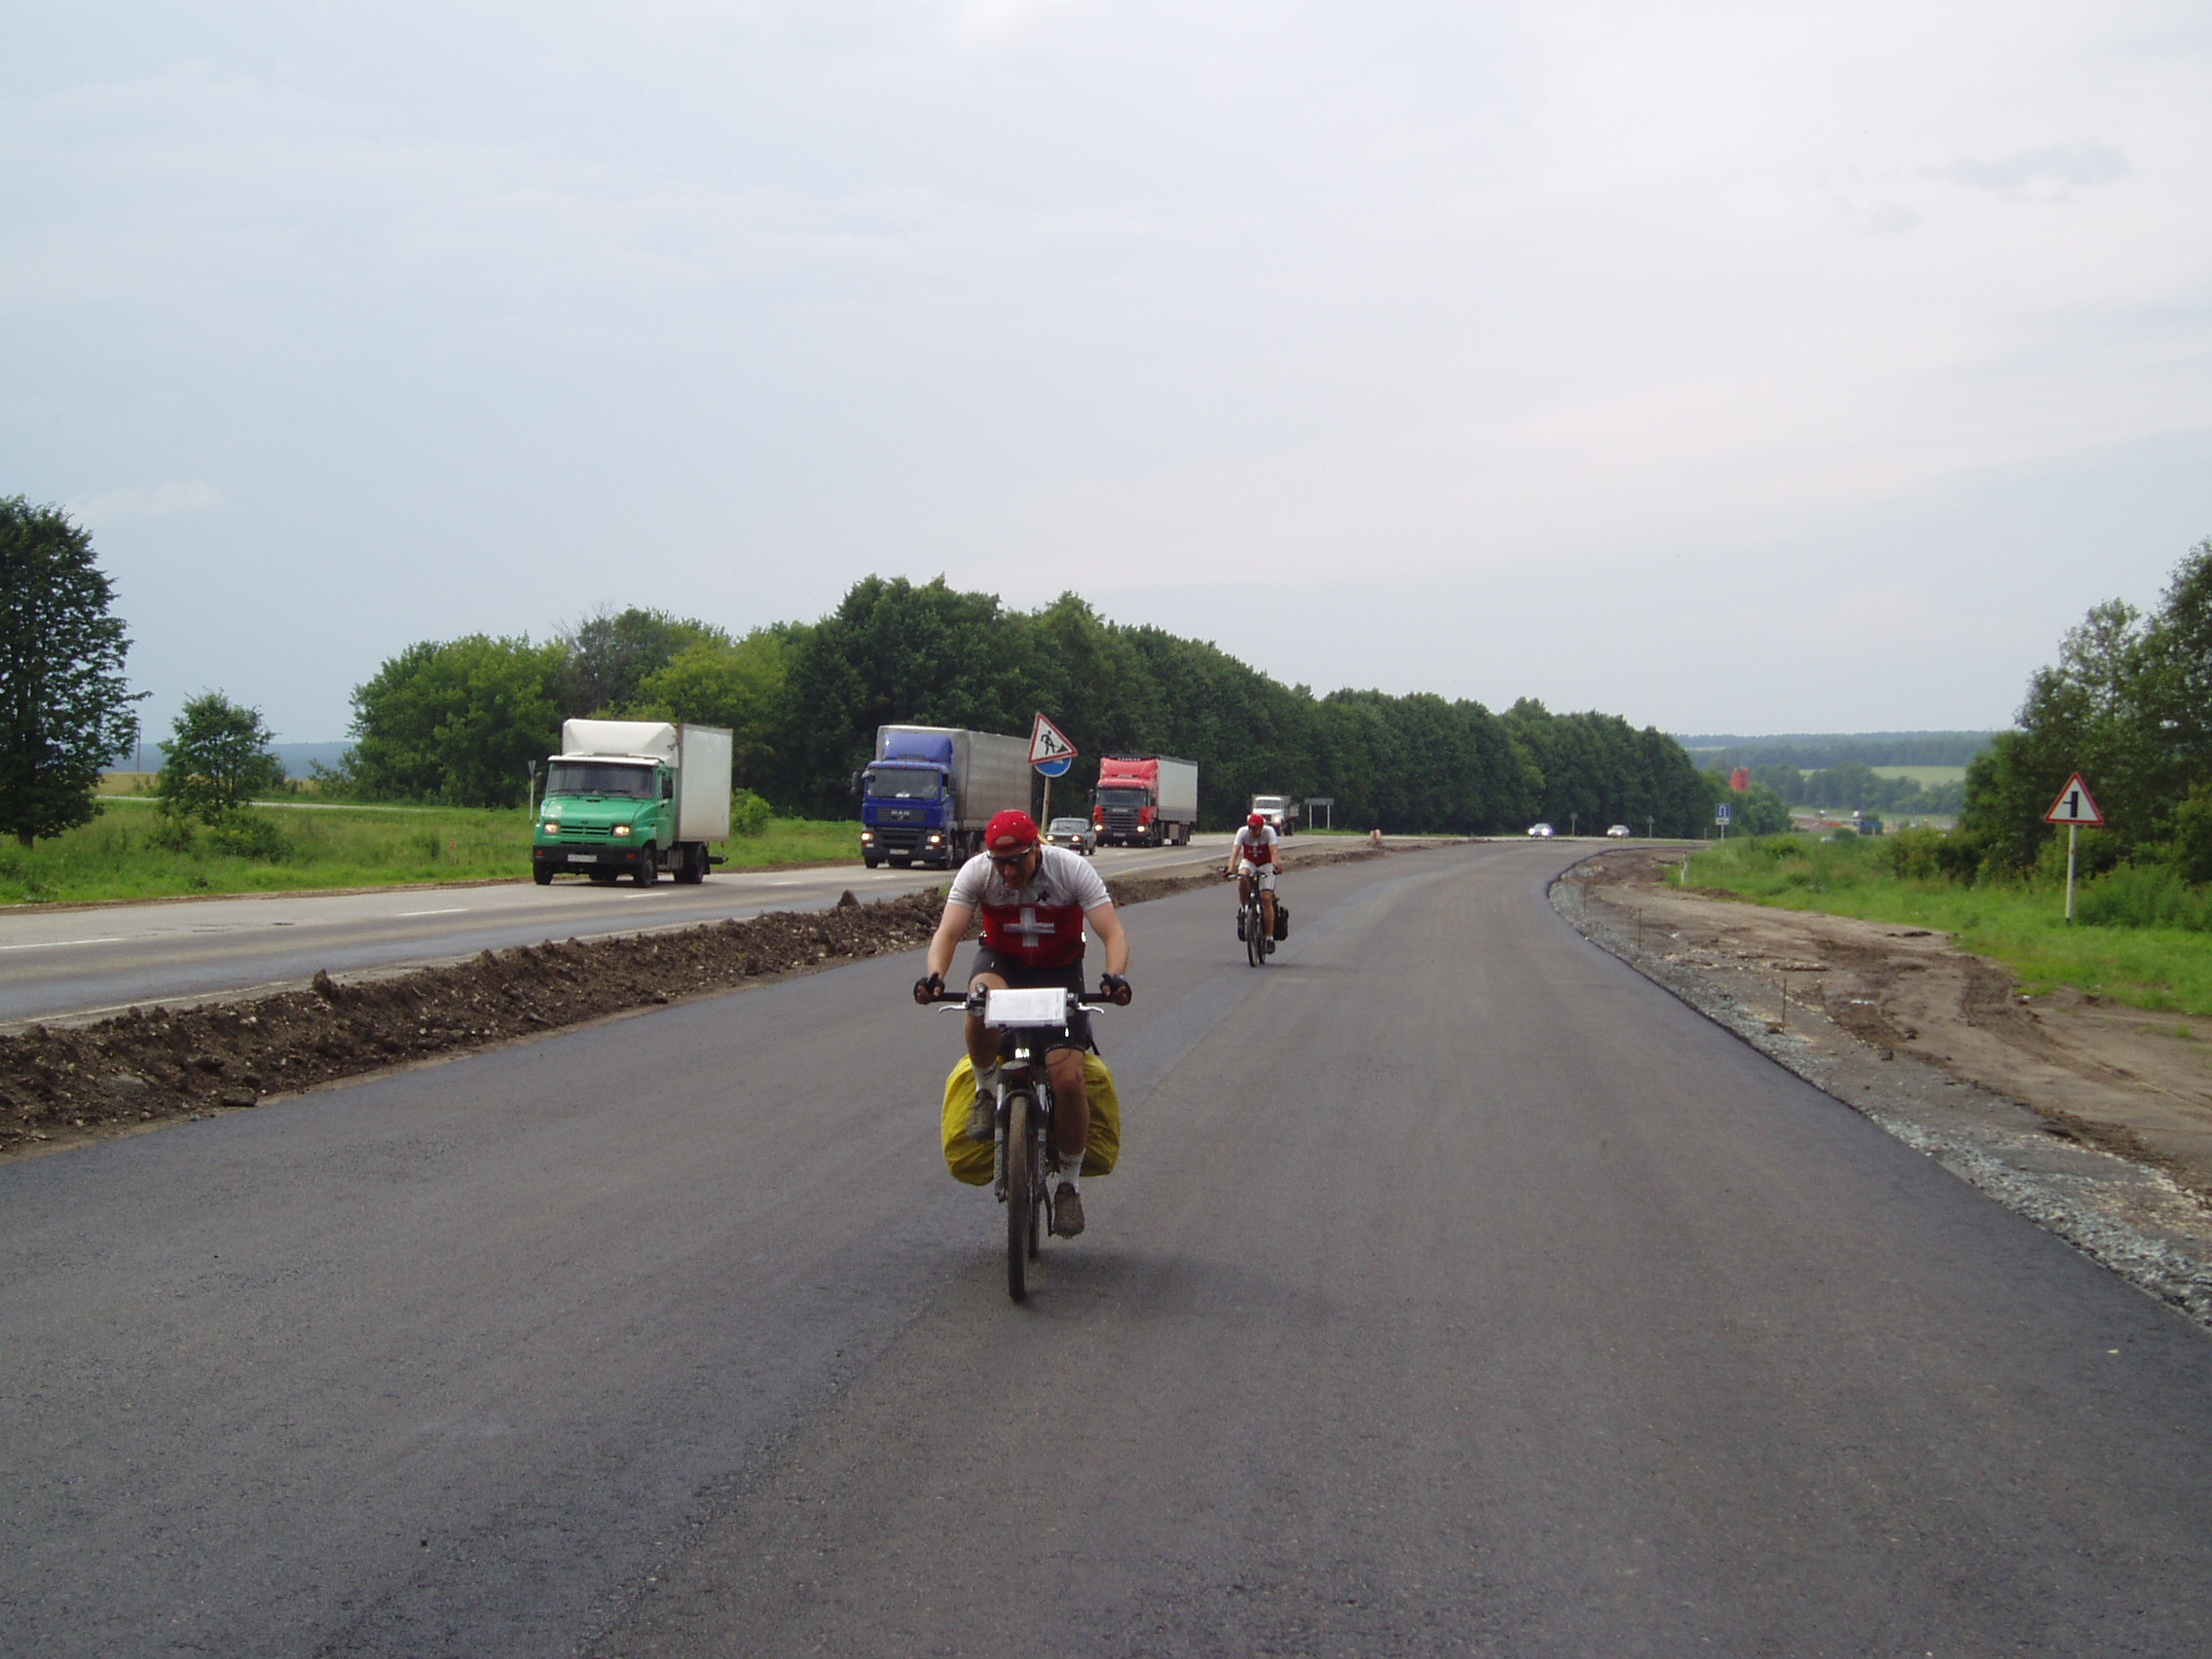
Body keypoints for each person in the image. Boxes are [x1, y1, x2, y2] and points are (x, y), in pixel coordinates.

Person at [913, 809, 1129, 1237]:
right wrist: (935, 976)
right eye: (1000, 863)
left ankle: (1068, 1185)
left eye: (1016, 862)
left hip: (1059, 970)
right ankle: (984, 1091)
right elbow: (948, 932)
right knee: (980, 1000)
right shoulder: (978, 872)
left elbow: (1113, 932)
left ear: (1037, 850)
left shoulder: (1071, 870)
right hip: (1004, 962)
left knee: (1068, 1079)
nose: (1008, 872)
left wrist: (1115, 976)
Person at [1228, 811, 1281, 949]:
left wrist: (1275, 866)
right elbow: (1235, 851)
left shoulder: (1269, 832)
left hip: (1266, 864)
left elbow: (1274, 851)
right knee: (1243, 876)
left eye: (1255, 828)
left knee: (1266, 898)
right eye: (1250, 828)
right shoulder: (1242, 832)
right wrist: (1230, 868)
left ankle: (1269, 937)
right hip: (1250, 862)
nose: (1252, 831)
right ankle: (1245, 908)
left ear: (1262, 827)